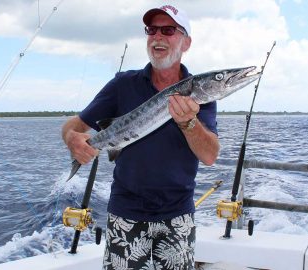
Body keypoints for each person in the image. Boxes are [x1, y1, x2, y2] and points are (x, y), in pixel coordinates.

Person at [61, 4, 219, 270]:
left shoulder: (201, 94)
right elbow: (73, 126)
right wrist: (72, 140)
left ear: (186, 42)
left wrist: (190, 123)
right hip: (126, 213)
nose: (158, 36)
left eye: (168, 30)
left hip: (178, 215)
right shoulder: (123, 85)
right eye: (152, 30)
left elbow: (210, 155)